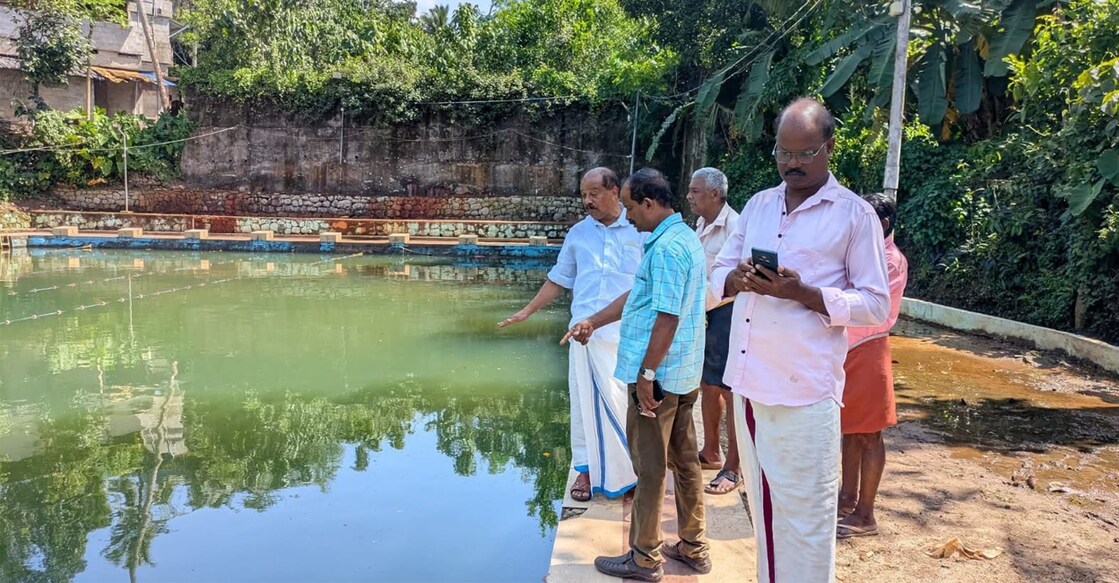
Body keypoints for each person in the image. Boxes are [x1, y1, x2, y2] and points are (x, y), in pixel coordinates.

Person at [710, 98, 890, 582]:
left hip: (805, 393)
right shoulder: (758, 205)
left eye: (804, 154)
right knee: (765, 512)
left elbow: (877, 304)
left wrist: (805, 294)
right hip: (748, 385)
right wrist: (738, 280)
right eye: (783, 153)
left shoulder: (854, 216)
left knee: (807, 520)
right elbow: (717, 273)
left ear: (829, 148)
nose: (791, 163)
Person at [564, 168, 711, 582]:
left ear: (649, 203)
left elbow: (666, 316)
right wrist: (595, 318)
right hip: (683, 375)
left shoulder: (664, 249)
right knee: (685, 463)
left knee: (649, 469)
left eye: (630, 207)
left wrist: (646, 373)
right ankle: (693, 547)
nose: (627, 217)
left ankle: (644, 558)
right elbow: (640, 296)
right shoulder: (681, 239)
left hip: (659, 378)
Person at [500, 167, 640, 501]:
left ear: (614, 191)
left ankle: (631, 472)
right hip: (583, 336)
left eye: (594, 193)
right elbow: (559, 279)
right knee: (583, 406)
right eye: (583, 194)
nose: (587, 200)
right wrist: (527, 311)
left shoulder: (640, 231)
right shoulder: (578, 234)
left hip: (624, 333)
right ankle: (586, 470)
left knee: (624, 404)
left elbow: (643, 287)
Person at [837, 192, 909, 538]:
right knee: (850, 430)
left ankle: (865, 513)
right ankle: (846, 500)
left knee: (868, 434)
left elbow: (875, 313)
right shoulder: (867, 255)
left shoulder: (890, 261)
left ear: (881, 224)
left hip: (867, 346)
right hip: (850, 348)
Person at [685, 167, 742, 495]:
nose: (690, 197)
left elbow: (733, 281)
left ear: (715, 194)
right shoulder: (700, 224)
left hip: (727, 313)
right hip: (703, 315)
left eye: (695, 191)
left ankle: (733, 466)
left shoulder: (735, 227)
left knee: (730, 389)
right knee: (708, 384)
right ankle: (710, 451)